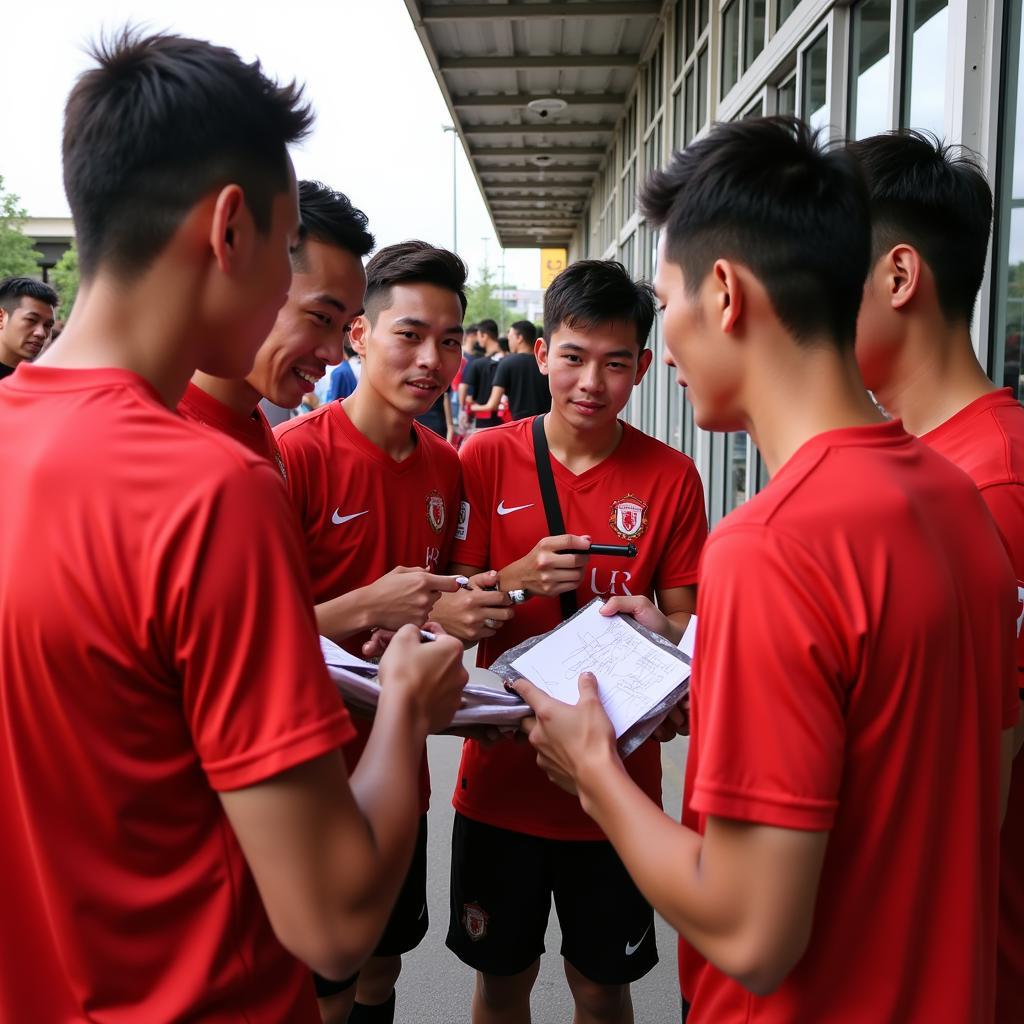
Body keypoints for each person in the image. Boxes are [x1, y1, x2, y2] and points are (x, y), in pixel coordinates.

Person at [0, 30, 467, 1023]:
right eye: (288, 257)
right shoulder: (210, 489)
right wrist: (403, 706)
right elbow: (335, 919)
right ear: (228, 229)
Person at [512, 117, 1019, 1023]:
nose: (662, 350)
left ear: (726, 293)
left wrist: (593, 771)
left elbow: (751, 934)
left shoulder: (770, 544)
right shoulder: (954, 497)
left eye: (664, 308)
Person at [446, 259, 708, 1024]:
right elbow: (450, 617)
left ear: (643, 368)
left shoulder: (673, 478)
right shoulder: (485, 459)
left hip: (619, 790)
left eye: (615, 362)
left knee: (602, 987)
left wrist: (662, 633)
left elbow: (686, 624)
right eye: (574, 356)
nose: (592, 380)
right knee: (503, 983)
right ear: (542, 354)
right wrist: (516, 577)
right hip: (500, 780)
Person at [274, 240, 508, 1024]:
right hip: (300, 778)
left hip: (400, 772)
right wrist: (366, 606)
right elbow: (248, 638)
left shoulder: (450, 466)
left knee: (380, 970)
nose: (432, 359)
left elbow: (436, 611)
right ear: (360, 337)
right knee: (320, 989)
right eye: (409, 334)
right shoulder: (288, 460)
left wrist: (453, 618)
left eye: (448, 340)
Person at [849, 129, 1024, 1024]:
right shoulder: (919, 462)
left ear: (898, 276)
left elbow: (966, 789)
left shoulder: (988, 482)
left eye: (825, 258)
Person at [180, 178, 372, 469]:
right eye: (322, 318)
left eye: (344, 327)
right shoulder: (150, 443)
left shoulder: (260, 434)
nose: (334, 354)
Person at [470, 319, 551, 420]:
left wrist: (472, 407)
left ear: (519, 338)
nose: (509, 342)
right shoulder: (547, 362)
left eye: (510, 338)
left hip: (520, 425)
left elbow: (492, 404)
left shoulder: (507, 363)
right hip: (545, 424)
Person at [0, 276, 57, 378]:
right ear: (1, 317)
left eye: (48, 325)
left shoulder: (43, 380)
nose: (41, 333)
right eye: (31, 320)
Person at [459, 316, 503, 430]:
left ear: (484, 335)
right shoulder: (508, 361)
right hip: (506, 420)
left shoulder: (477, 363)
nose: (478, 340)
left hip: (483, 419)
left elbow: (463, 387)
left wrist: (464, 409)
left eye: (479, 336)